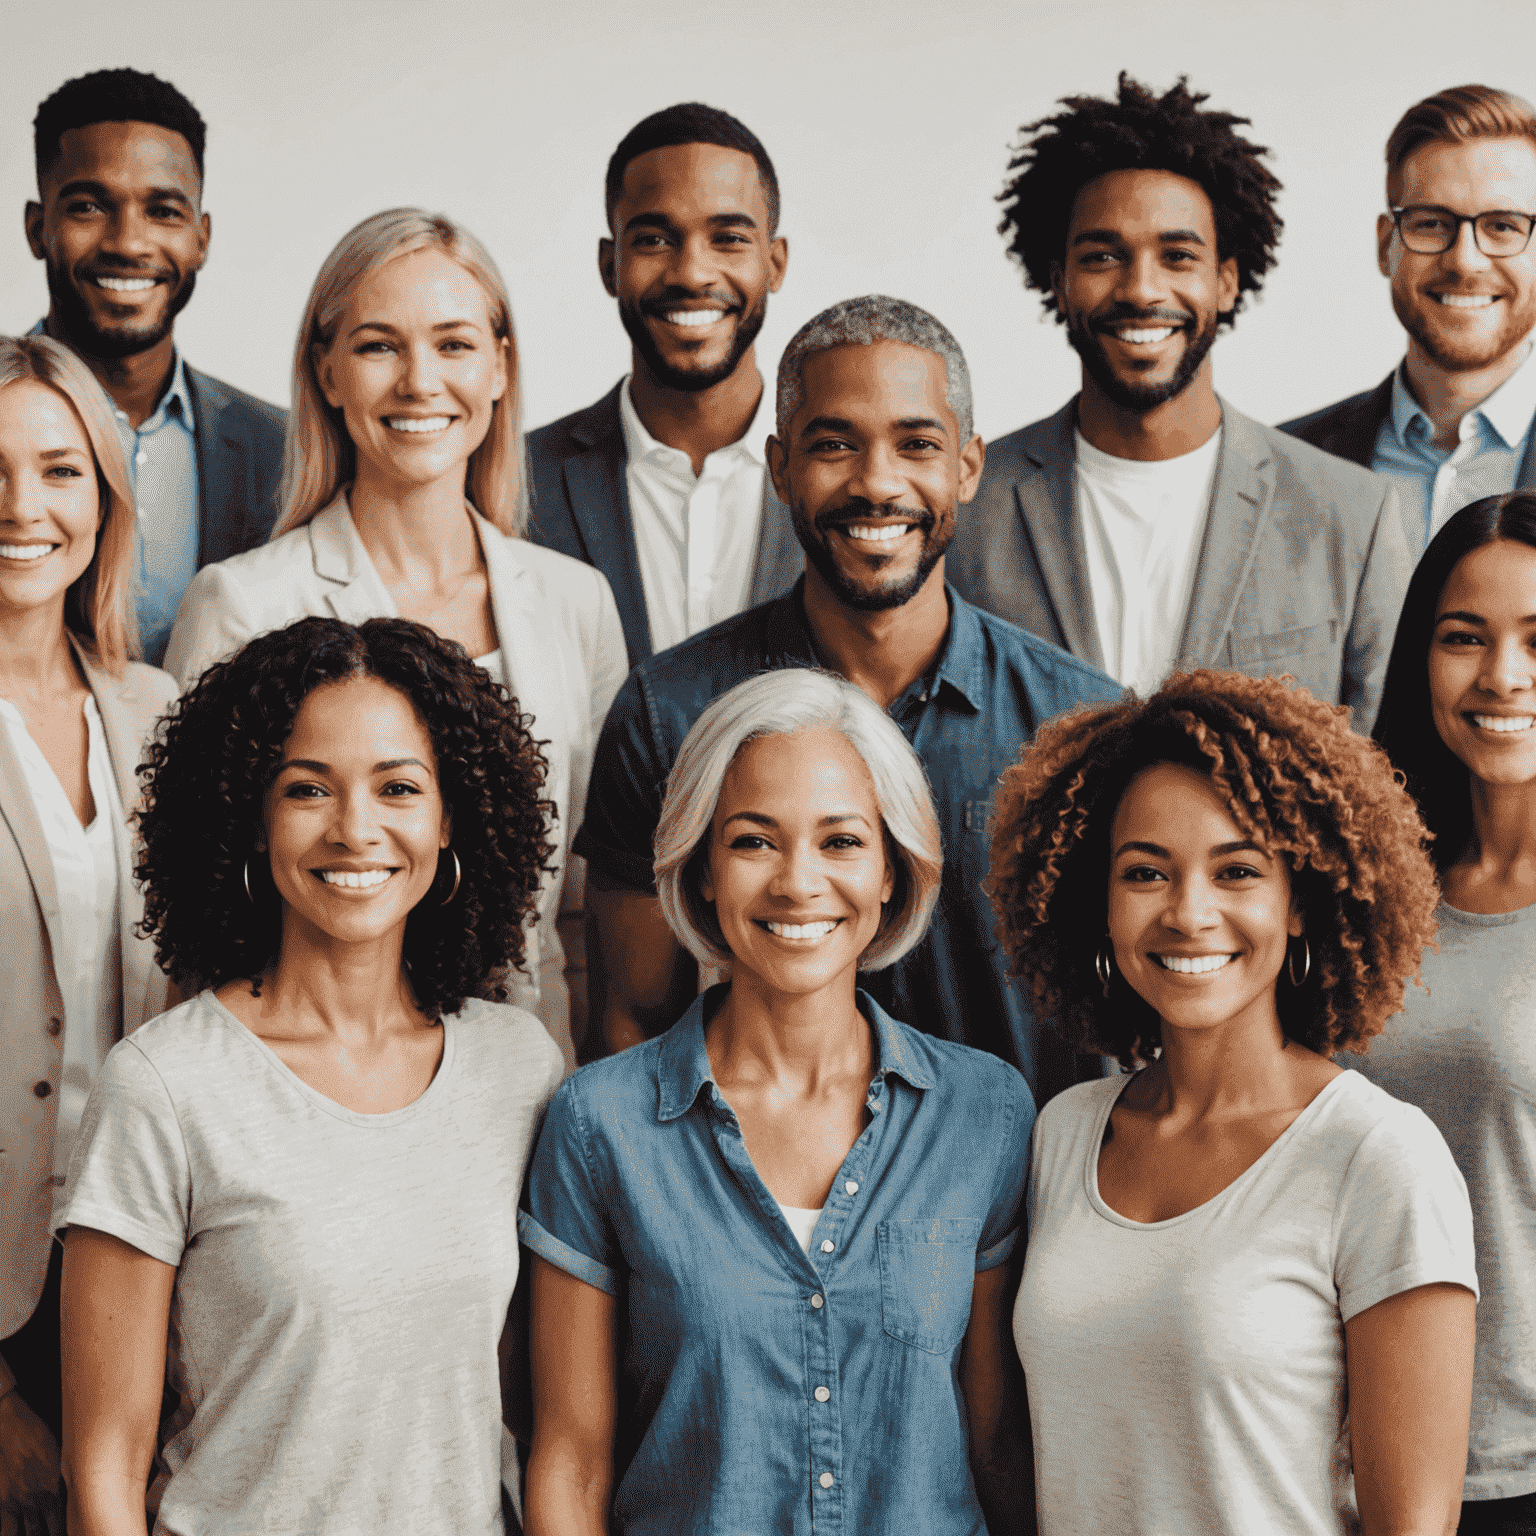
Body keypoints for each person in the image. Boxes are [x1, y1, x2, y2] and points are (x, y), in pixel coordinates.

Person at [55, 616, 563, 1534]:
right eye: (307, 790)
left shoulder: (517, 1067)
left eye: (398, 787)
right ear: (253, 817)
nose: (355, 830)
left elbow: (535, 1415)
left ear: (451, 816)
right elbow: (103, 1464)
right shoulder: (165, 1087)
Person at [523, 668, 1034, 1535]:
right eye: (755, 841)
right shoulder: (597, 1124)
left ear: (890, 872)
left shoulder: (985, 1113)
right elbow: (572, 1459)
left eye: (840, 842)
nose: (799, 884)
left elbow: (995, 1446)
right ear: (704, 869)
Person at [577, 294, 1120, 1106]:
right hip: (752, 1201)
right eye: (834, 445)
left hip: (1019, 1210)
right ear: (780, 468)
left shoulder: (1084, 728)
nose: (876, 483)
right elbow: (628, 1024)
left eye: (917, 445)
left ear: (967, 467)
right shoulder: (670, 710)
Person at [990, 669, 1478, 1536]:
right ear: (1097, 903)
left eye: (1237, 870)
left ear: (1301, 902)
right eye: (1146, 872)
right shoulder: (1064, 1134)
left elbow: (1415, 1525)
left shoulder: (1379, 1157)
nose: (1189, 912)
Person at [165, 208, 626, 1068]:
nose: (420, 382)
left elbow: (585, 905)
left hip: (538, 1071)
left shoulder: (575, 602)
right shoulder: (241, 604)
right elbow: (196, 901)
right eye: (380, 346)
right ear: (327, 371)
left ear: (500, 367)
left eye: (453, 345)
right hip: (309, 1071)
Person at [949, 74, 1411, 729]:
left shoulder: (1350, 517)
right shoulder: (967, 507)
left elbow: (1388, 777)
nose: (1141, 288)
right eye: (1103, 255)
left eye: (1177, 256)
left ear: (1227, 280)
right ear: (1057, 281)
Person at [0, 334, 177, 1536]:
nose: (24, 508)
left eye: (60, 470)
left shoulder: (155, 709)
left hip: (137, 1262)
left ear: (104, 498)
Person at [1362, 491, 1536, 1535]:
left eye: (1534, 640)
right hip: (1350, 1457)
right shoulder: (1367, 898)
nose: (1502, 676)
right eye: (1463, 638)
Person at [24, 68, 287, 664]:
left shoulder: (283, 449)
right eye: (89, 207)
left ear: (201, 237)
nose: (128, 242)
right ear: (38, 228)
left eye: (163, 211)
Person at [527, 102, 802, 668]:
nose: (691, 273)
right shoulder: (514, 482)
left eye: (728, 238)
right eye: (654, 240)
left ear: (774, 263)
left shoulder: (840, 476)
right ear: (610, 265)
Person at [1284, 87, 1536, 554]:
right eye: (1431, 222)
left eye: (1503, 226)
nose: (1465, 262)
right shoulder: (1286, 464)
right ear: (1386, 246)